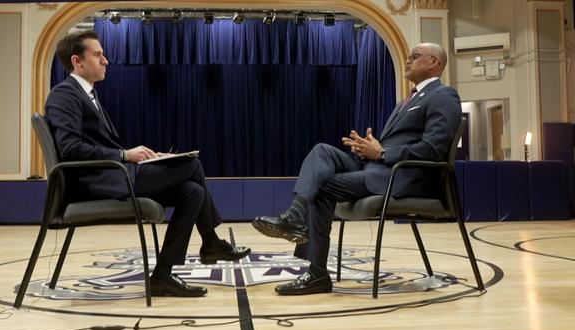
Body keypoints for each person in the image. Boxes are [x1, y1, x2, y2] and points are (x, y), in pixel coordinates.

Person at [45, 30, 250, 297]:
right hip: (98, 182)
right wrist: (124, 155)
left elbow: (96, 145)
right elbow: (70, 149)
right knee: (192, 166)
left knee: (193, 192)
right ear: (77, 61)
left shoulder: (87, 95)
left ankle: (163, 275)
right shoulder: (65, 94)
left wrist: (148, 158)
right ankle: (210, 242)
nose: (105, 60)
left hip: (114, 175)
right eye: (98, 55)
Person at [252, 43, 461, 295]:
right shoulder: (405, 102)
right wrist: (367, 148)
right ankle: (295, 215)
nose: (407, 60)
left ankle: (316, 271)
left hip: (402, 177)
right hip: (378, 167)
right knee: (322, 151)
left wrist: (382, 152)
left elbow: (433, 149)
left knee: (323, 186)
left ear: (434, 63)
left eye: (414, 56)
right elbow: (394, 146)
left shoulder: (444, 96)